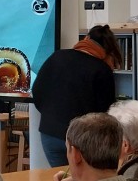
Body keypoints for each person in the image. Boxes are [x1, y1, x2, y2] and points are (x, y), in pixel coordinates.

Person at [32, 24, 122, 167]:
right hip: (83, 139)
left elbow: (37, 91)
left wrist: (49, 115)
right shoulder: (102, 70)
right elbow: (106, 112)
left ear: (86, 39)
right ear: (109, 49)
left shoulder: (57, 56)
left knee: (60, 178)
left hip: (50, 133)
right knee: (84, 179)